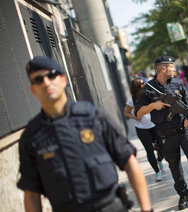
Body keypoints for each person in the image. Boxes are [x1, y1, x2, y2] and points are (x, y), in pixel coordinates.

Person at [16, 56, 152, 212]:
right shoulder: (31, 136)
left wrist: (146, 209)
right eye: (38, 79)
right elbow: (31, 194)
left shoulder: (93, 117)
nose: (46, 82)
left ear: (63, 79)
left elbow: (129, 161)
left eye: (51, 75)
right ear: (33, 90)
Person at [135, 56, 188, 212]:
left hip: (184, 131)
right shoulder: (148, 88)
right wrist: (153, 105)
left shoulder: (178, 83)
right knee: (175, 169)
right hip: (165, 135)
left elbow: (187, 105)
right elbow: (138, 112)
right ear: (163, 69)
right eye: (172, 67)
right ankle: (183, 196)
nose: (175, 70)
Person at [124, 78, 165, 182]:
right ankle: (157, 172)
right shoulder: (131, 100)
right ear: (137, 87)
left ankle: (160, 160)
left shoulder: (149, 94)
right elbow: (126, 113)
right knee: (149, 150)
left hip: (154, 125)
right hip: (142, 128)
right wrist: (135, 117)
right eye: (142, 83)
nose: (144, 84)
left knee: (162, 147)